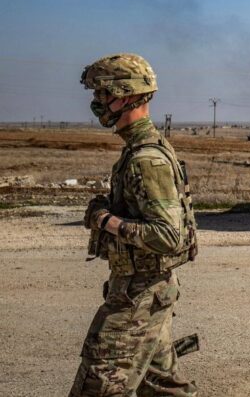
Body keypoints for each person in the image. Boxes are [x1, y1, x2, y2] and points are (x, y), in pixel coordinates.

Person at [71, 53, 199, 397]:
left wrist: (105, 220)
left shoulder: (146, 158)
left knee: (97, 387)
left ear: (126, 95)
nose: (97, 103)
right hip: (146, 289)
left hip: (138, 296)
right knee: (160, 387)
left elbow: (168, 236)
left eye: (102, 94)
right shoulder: (140, 149)